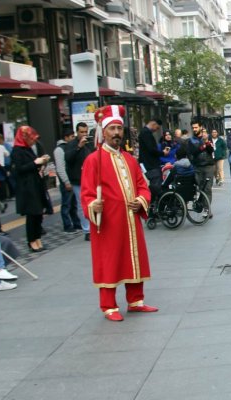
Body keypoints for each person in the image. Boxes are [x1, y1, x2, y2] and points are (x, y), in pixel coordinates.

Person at [80, 105, 157, 322]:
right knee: (110, 260)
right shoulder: (93, 160)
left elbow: (143, 185)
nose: (116, 133)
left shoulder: (130, 159)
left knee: (134, 258)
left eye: (119, 129)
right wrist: (93, 205)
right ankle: (108, 305)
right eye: (112, 129)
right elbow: (86, 193)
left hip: (131, 219)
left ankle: (136, 301)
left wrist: (141, 200)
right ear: (103, 132)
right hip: (109, 223)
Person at [10, 126, 50, 252]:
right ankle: (31, 240)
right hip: (26, 188)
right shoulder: (17, 151)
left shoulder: (28, 149)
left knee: (39, 213)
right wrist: (35, 163)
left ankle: (37, 238)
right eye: (31, 138)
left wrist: (41, 163)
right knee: (32, 214)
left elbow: (32, 166)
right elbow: (19, 169)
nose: (33, 141)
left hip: (35, 184)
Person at [65, 122, 94, 241]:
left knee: (93, 202)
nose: (84, 134)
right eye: (81, 132)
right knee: (82, 205)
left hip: (91, 178)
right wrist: (78, 147)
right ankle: (87, 230)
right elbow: (68, 159)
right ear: (77, 132)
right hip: (78, 179)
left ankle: (95, 225)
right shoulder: (72, 144)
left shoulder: (90, 143)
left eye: (85, 132)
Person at [54, 129, 81, 233]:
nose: (73, 138)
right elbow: (60, 167)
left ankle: (76, 223)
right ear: (66, 137)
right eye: (71, 137)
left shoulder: (69, 147)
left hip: (72, 179)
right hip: (67, 181)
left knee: (73, 203)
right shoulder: (59, 149)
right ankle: (67, 225)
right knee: (66, 204)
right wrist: (66, 181)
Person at [185, 121, 215, 206]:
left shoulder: (207, 137)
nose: (194, 129)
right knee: (201, 188)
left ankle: (207, 208)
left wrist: (207, 143)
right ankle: (201, 204)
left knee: (208, 188)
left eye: (196, 127)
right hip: (198, 166)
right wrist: (203, 146)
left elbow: (211, 151)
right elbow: (193, 152)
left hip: (208, 166)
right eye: (193, 128)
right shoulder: (190, 140)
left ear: (200, 127)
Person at [138, 118, 163, 202]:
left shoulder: (145, 133)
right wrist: (162, 153)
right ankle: (153, 205)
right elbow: (151, 149)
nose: (156, 130)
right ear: (154, 124)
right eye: (157, 128)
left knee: (155, 184)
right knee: (156, 186)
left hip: (149, 164)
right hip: (151, 164)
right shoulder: (146, 133)